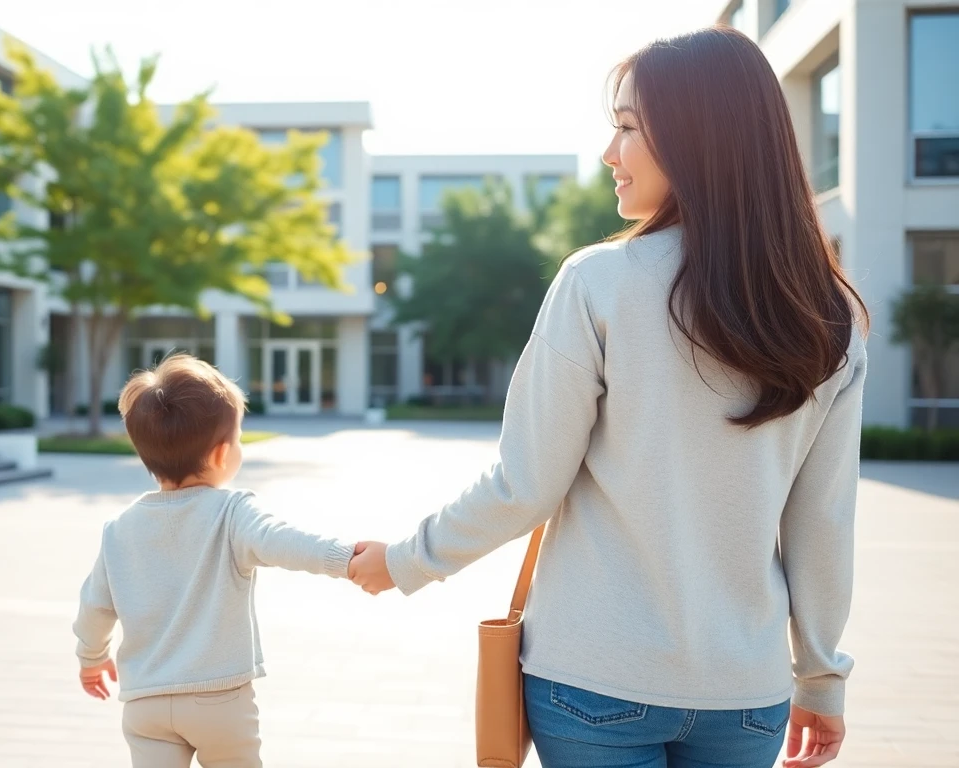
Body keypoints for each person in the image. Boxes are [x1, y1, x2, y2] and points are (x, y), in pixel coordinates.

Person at [348, 26, 867, 768]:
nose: (608, 153)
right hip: (747, 695)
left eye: (627, 127)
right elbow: (824, 521)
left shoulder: (598, 283)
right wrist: (820, 676)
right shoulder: (830, 314)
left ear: (697, 137)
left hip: (594, 681)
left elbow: (525, 485)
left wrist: (404, 561)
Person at [71, 354, 358, 768]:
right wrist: (344, 557)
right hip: (220, 700)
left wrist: (91, 658)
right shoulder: (232, 512)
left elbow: (95, 607)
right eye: (237, 438)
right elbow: (283, 541)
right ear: (223, 454)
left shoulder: (119, 529)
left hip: (146, 701)